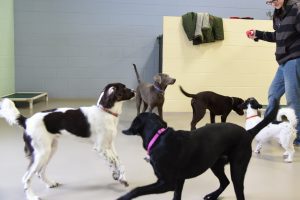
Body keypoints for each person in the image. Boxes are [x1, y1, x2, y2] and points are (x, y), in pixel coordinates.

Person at [246, 0, 300, 145]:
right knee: (273, 94)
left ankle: (298, 134)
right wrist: (258, 34)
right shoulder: (277, 14)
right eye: (270, 1)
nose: (273, 2)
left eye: (275, 0)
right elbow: (278, 36)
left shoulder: (296, 9)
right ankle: (268, 127)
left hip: (294, 59)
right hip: (283, 62)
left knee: (292, 99)